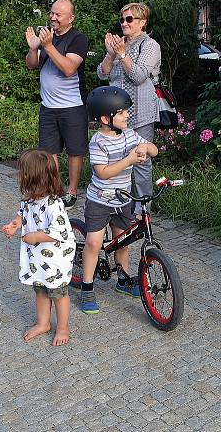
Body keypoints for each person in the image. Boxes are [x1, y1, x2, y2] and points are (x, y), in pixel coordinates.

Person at [78, 86, 158, 314]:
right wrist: (130, 159)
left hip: (123, 199)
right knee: (94, 243)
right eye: (122, 112)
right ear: (106, 118)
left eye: (126, 112)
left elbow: (154, 149)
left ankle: (123, 279)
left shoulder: (131, 135)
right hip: (100, 200)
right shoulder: (98, 142)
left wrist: (144, 147)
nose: (127, 115)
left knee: (122, 241)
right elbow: (102, 172)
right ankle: (87, 286)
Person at [1, 149, 76, 346]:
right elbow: (22, 214)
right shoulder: (29, 198)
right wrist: (14, 225)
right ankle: (43, 323)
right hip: (38, 258)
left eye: (23, 172)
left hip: (55, 259)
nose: (20, 176)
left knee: (59, 294)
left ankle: (62, 327)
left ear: (34, 177)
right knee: (40, 290)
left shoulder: (53, 204)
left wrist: (35, 236)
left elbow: (59, 231)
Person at [25, 0, 89, 209]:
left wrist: (48, 46)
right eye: (51, 13)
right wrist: (34, 49)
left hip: (72, 105)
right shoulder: (47, 36)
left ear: (71, 18)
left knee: (74, 150)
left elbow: (69, 68)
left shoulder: (78, 39)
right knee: (48, 151)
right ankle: (55, 188)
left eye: (58, 15)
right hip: (48, 106)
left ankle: (71, 192)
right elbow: (31, 66)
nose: (52, 17)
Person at [97, 3, 161, 210]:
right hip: (115, 115)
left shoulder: (150, 45)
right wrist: (111, 54)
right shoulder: (119, 45)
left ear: (142, 23)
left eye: (129, 19)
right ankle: (116, 202)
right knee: (115, 156)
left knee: (140, 159)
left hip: (140, 113)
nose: (124, 23)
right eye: (122, 19)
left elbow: (138, 75)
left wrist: (122, 54)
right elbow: (102, 73)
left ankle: (143, 209)